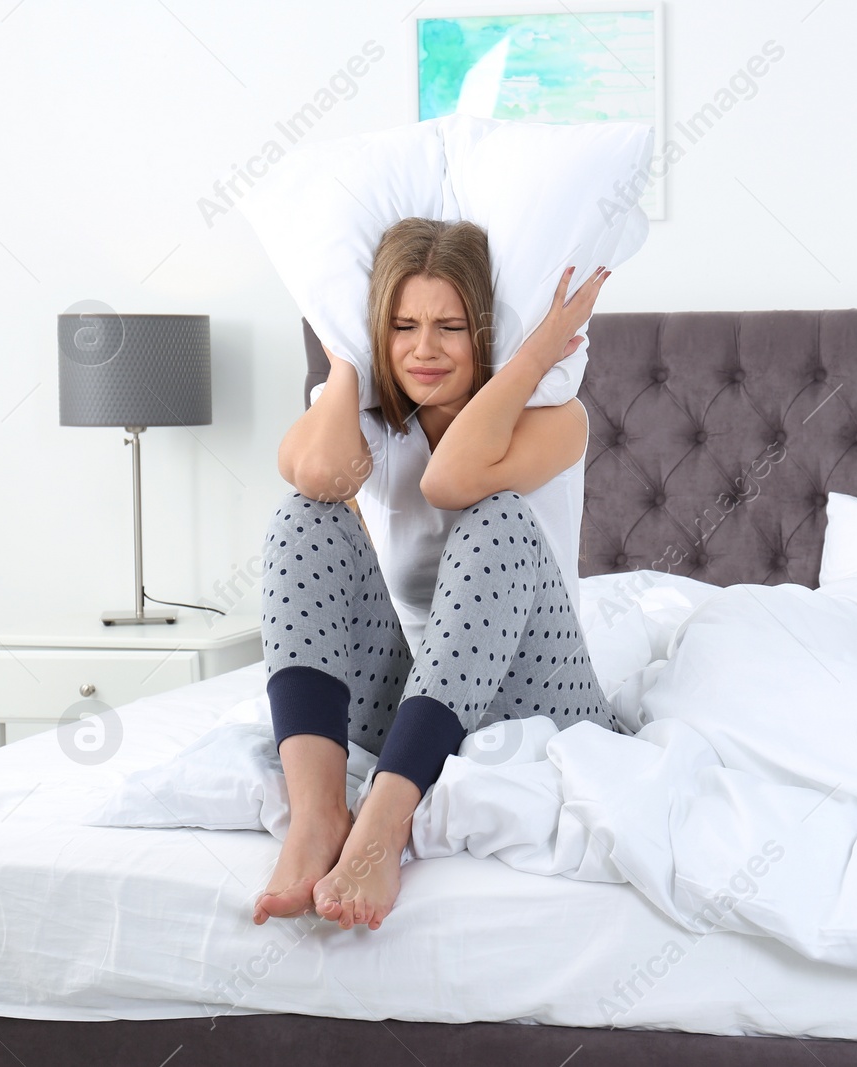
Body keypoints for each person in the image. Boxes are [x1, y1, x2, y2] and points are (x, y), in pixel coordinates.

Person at [253, 217, 617, 931]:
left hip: (532, 693)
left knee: (498, 517)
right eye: (402, 325)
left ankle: (385, 824)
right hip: (414, 699)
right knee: (306, 515)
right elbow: (320, 474)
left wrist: (537, 351)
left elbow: (453, 479)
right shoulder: (366, 425)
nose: (423, 349)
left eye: (450, 326)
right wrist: (349, 361)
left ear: (483, 332)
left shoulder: (557, 415)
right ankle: (319, 818)